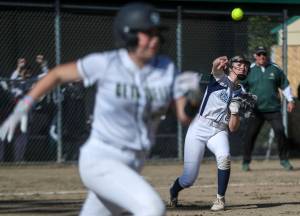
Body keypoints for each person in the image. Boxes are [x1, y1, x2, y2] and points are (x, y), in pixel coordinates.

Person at [0, 2, 199, 215]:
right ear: (128, 34)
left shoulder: (166, 68)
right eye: (147, 33)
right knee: (152, 208)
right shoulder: (107, 63)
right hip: (101, 159)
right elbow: (57, 74)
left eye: (156, 33)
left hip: (134, 163)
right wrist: (23, 106)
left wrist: (194, 97)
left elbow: (184, 116)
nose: (155, 39)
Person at [169, 55, 252, 211]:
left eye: (245, 65)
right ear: (230, 66)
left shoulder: (242, 92)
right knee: (188, 179)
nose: (243, 67)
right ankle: (174, 190)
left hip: (219, 130)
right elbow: (215, 68)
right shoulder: (220, 79)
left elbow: (233, 128)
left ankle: (220, 199)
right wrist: (217, 63)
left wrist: (234, 113)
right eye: (239, 63)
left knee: (224, 157)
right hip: (199, 127)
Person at [242, 46, 296, 172]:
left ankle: (284, 160)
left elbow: (285, 85)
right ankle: (245, 161)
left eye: (264, 54)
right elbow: (243, 87)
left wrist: (290, 100)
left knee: (280, 132)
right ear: (255, 56)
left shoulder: (275, 69)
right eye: (259, 54)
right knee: (250, 135)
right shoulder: (249, 70)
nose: (262, 56)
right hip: (256, 111)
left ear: (266, 56)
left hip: (273, 109)